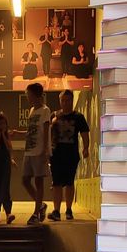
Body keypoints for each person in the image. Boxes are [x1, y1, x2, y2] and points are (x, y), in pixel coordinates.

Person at [48, 89, 89, 221]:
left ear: (71, 101)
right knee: (56, 183)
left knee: (70, 183)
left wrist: (86, 148)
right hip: (56, 154)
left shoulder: (78, 117)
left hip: (71, 155)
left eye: (68, 100)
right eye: (63, 100)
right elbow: (48, 133)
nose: (65, 103)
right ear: (60, 101)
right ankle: (56, 211)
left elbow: (84, 134)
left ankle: (69, 210)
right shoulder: (54, 116)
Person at [15, 82, 50, 225]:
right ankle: (41, 204)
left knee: (38, 181)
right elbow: (32, 131)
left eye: (29, 95)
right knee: (25, 180)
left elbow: (46, 131)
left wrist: (45, 150)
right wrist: (18, 133)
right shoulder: (31, 110)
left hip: (39, 151)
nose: (27, 97)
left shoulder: (45, 110)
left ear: (36, 95)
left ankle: (36, 213)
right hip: (28, 151)